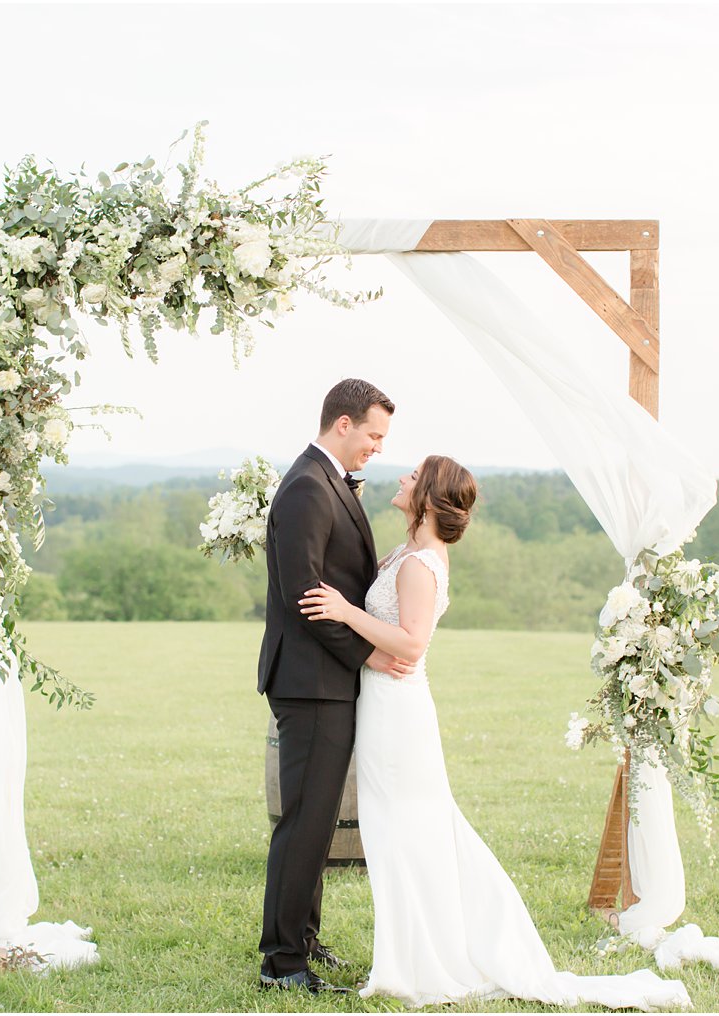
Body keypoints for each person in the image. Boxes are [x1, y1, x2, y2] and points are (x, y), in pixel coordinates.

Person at [297, 455, 693, 1010]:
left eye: (414, 476)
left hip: (397, 714)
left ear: (429, 498)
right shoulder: (408, 552)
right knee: (401, 834)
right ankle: (412, 950)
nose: (403, 478)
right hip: (385, 705)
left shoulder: (421, 565)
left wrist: (343, 611)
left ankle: (424, 960)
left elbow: (411, 643)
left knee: (408, 832)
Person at [256, 378, 414, 994]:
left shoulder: (324, 482)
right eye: (374, 434)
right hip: (311, 681)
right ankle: (281, 963)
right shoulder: (305, 488)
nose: (378, 447)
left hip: (324, 679)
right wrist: (368, 653)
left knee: (317, 823)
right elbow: (305, 597)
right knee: (304, 823)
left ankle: (304, 941)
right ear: (342, 424)